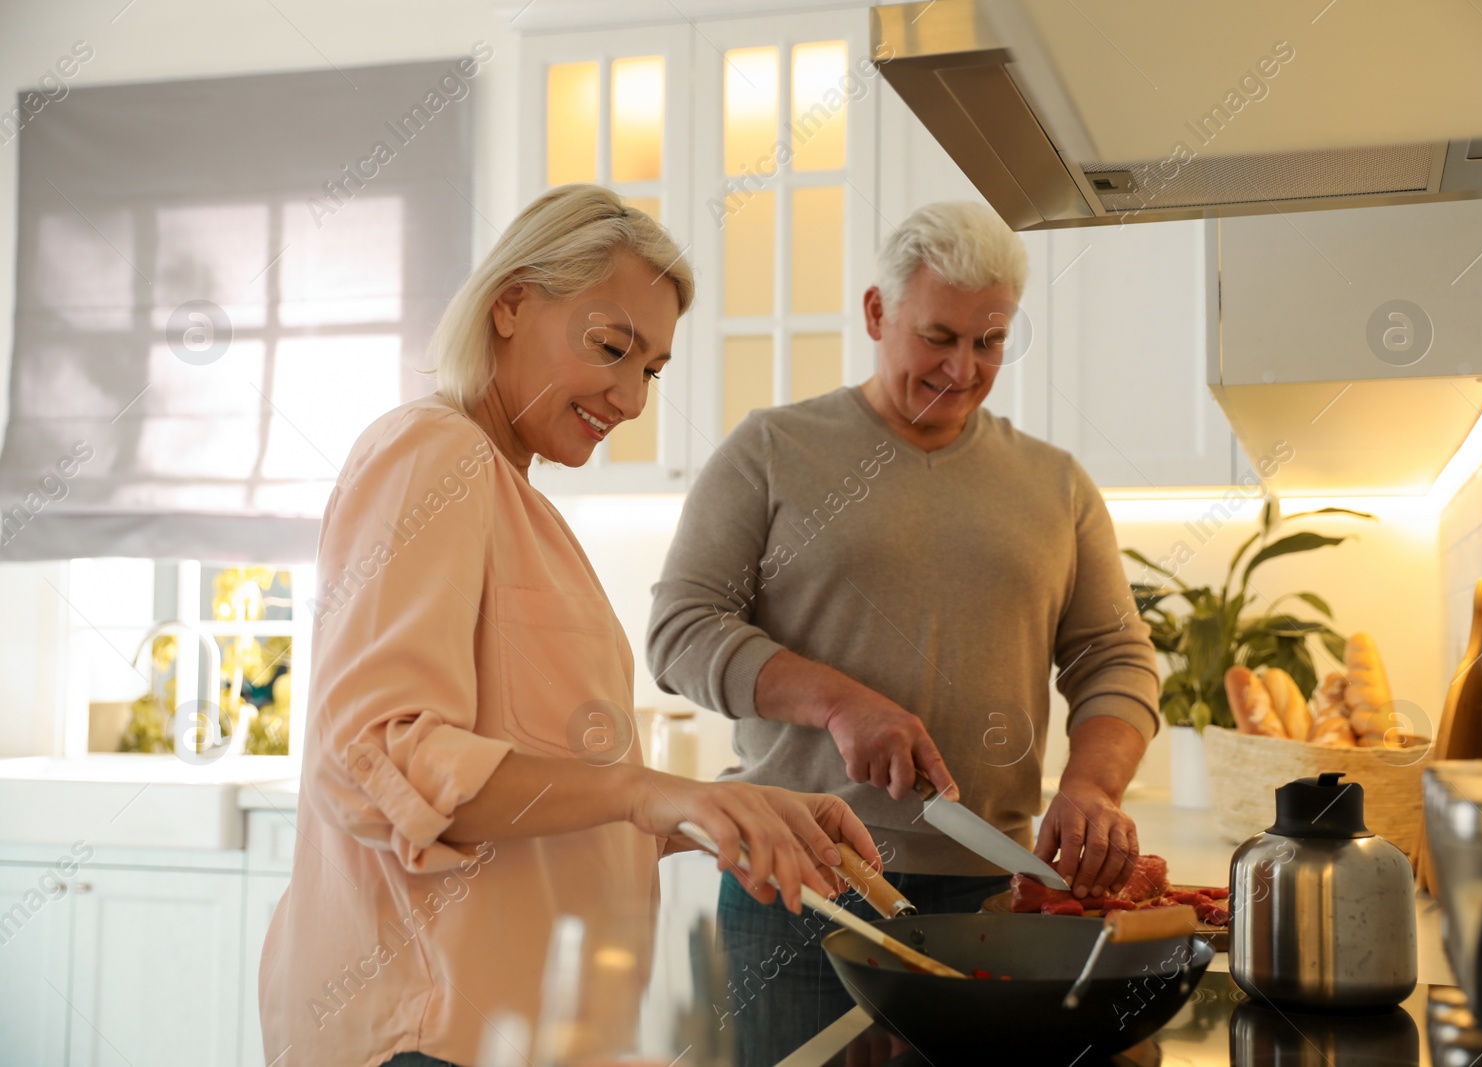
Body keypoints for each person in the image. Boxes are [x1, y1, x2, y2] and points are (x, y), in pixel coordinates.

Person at [259, 184, 879, 1067]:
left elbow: (538, 793)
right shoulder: (431, 454)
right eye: (611, 347)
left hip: (515, 1034)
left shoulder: (511, 494)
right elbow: (373, 760)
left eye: (652, 369)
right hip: (427, 1038)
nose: (631, 396)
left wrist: (722, 813)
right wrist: (651, 792)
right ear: (511, 303)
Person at [647, 201, 1161, 1065]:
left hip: (993, 906)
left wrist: (1094, 784)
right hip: (801, 889)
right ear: (878, 314)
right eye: (940, 336)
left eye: (989, 342)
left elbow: (1115, 657)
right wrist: (838, 704)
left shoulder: (1056, 484)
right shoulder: (772, 449)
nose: (963, 368)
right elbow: (680, 630)